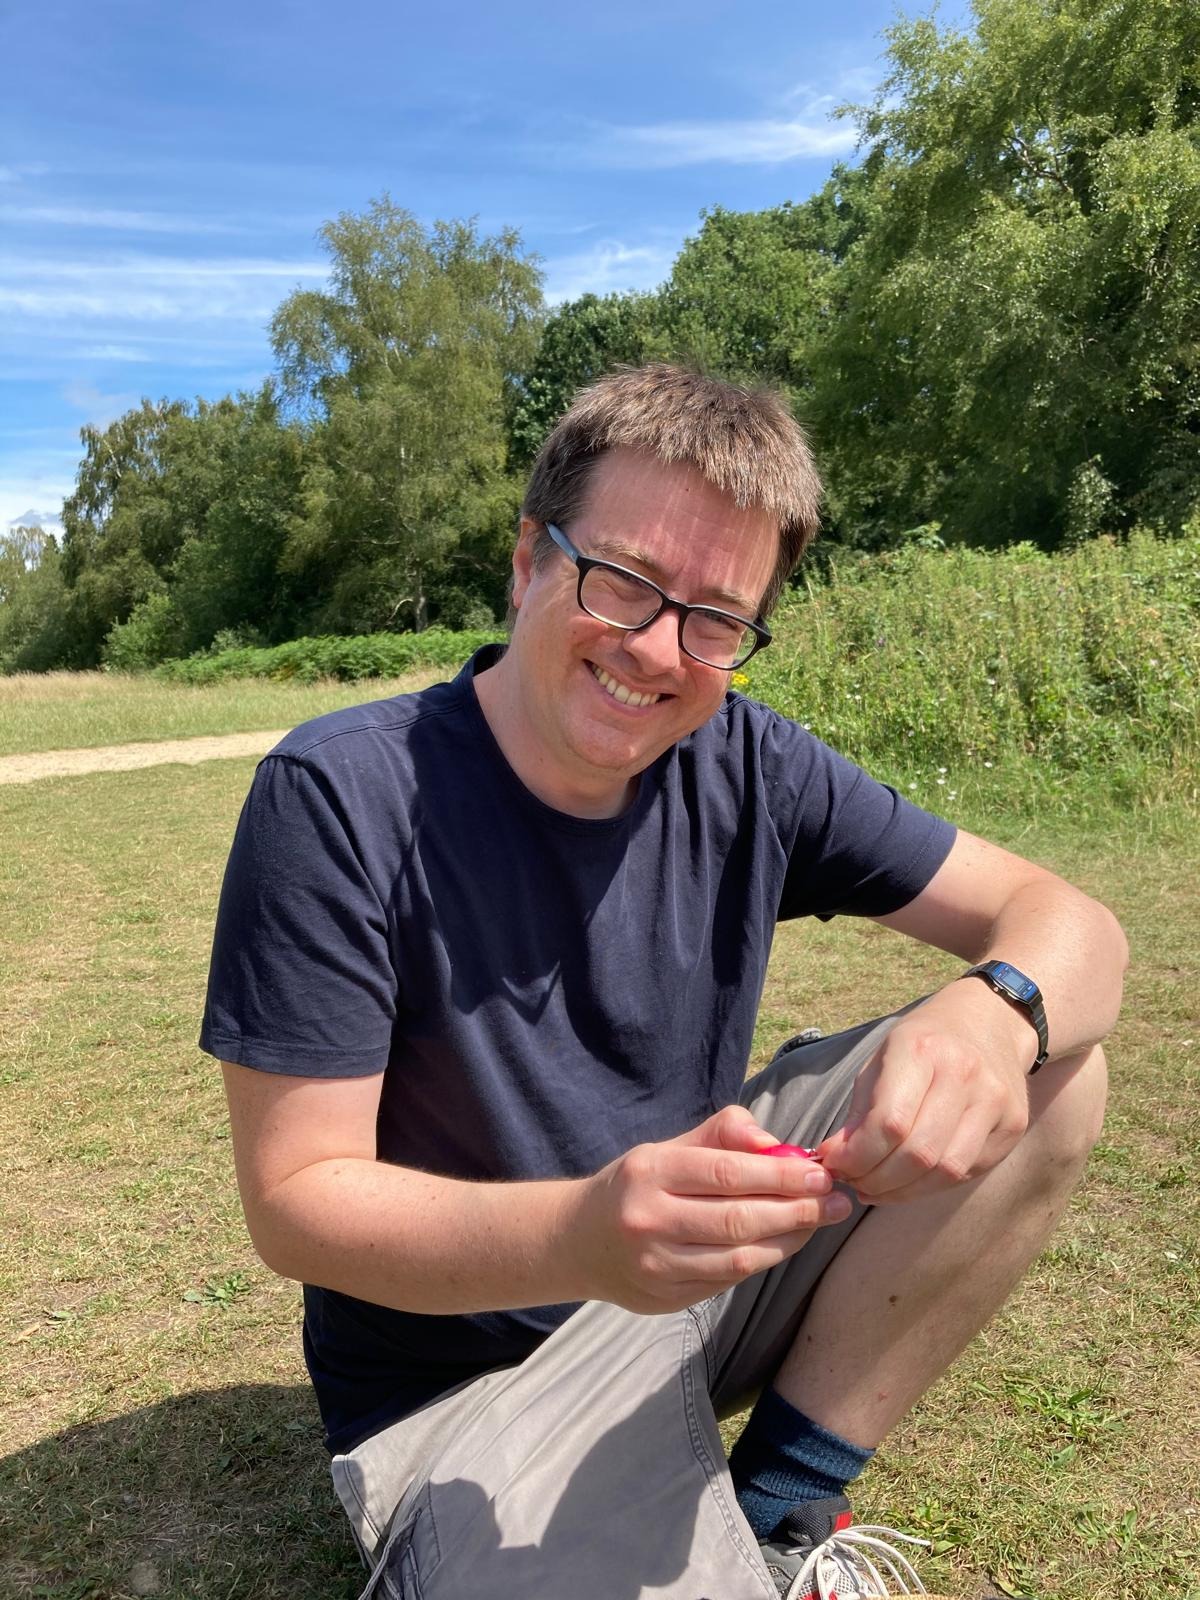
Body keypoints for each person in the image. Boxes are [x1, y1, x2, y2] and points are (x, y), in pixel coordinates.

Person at [202, 365, 1126, 1600]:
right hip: (460, 1390)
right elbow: (295, 1203)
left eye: (715, 619)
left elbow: (1075, 927)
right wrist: (584, 1236)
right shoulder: (342, 794)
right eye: (622, 580)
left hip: (694, 1287)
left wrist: (995, 1011)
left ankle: (783, 1504)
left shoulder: (749, 761)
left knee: (1056, 1061)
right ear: (529, 558)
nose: (655, 649)